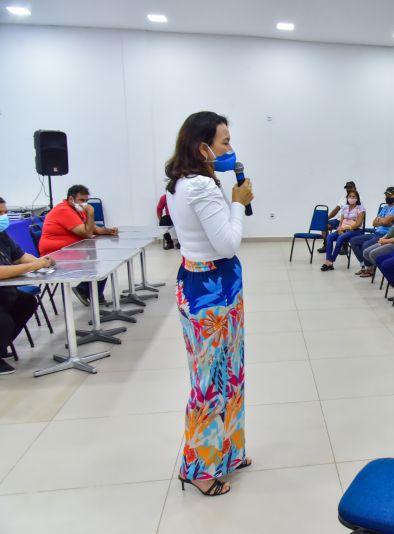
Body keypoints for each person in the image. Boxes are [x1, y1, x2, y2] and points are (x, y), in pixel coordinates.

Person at [165, 111, 254, 496]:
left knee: (229, 373)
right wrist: (238, 202)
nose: (230, 149)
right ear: (203, 147)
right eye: (224, 142)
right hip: (210, 290)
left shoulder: (181, 181)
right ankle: (200, 469)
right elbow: (227, 243)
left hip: (208, 284)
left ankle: (229, 451)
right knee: (210, 381)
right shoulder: (200, 186)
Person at [0, 197, 56, 375]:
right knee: (4, 321)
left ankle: (2, 345)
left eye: (5, 212)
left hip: (5, 290)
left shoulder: (2, 235)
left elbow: (20, 256)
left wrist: (43, 262)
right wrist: (34, 266)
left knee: (27, 303)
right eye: (0, 213)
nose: (4, 216)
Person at [39, 184, 118, 306]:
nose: (85, 204)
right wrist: (91, 213)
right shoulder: (64, 210)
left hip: (73, 250)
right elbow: (87, 233)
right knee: (101, 262)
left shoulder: (77, 209)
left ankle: (92, 293)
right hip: (56, 255)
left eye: (86, 201)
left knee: (105, 260)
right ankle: (86, 290)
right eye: (82, 200)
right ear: (71, 199)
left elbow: (92, 228)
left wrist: (108, 231)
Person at [351, 187, 394, 276]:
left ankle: (370, 269)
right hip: (376, 233)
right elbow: (374, 223)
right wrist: (384, 221)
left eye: (390, 195)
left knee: (366, 244)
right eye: (386, 195)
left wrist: (383, 221)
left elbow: (386, 222)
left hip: (385, 235)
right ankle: (364, 265)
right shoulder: (385, 207)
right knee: (354, 241)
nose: (387, 197)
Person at [321, 190, 365, 271]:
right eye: (350, 196)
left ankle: (331, 261)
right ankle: (328, 260)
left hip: (355, 230)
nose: (351, 198)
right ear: (347, 198)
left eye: (353, 197)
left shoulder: (360, 208)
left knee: (340, 238)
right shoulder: (345, 207)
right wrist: (339, 228)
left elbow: (358, 224)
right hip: (343, 230)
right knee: (330, 237)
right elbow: (341, 221)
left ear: (357, 198)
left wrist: (345, 228)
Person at [317, 180, 357, 253]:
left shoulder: (358, 197)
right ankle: (326, 245)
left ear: (354, 188)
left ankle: (345, 247)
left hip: (349, 220)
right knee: (324, 225)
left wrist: (344, 221)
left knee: (344, 226)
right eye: (347, 188)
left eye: (350, 187)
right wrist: (327, 218)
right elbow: (336, 209)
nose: (348, 189)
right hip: (338, 219)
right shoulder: (343, 198)